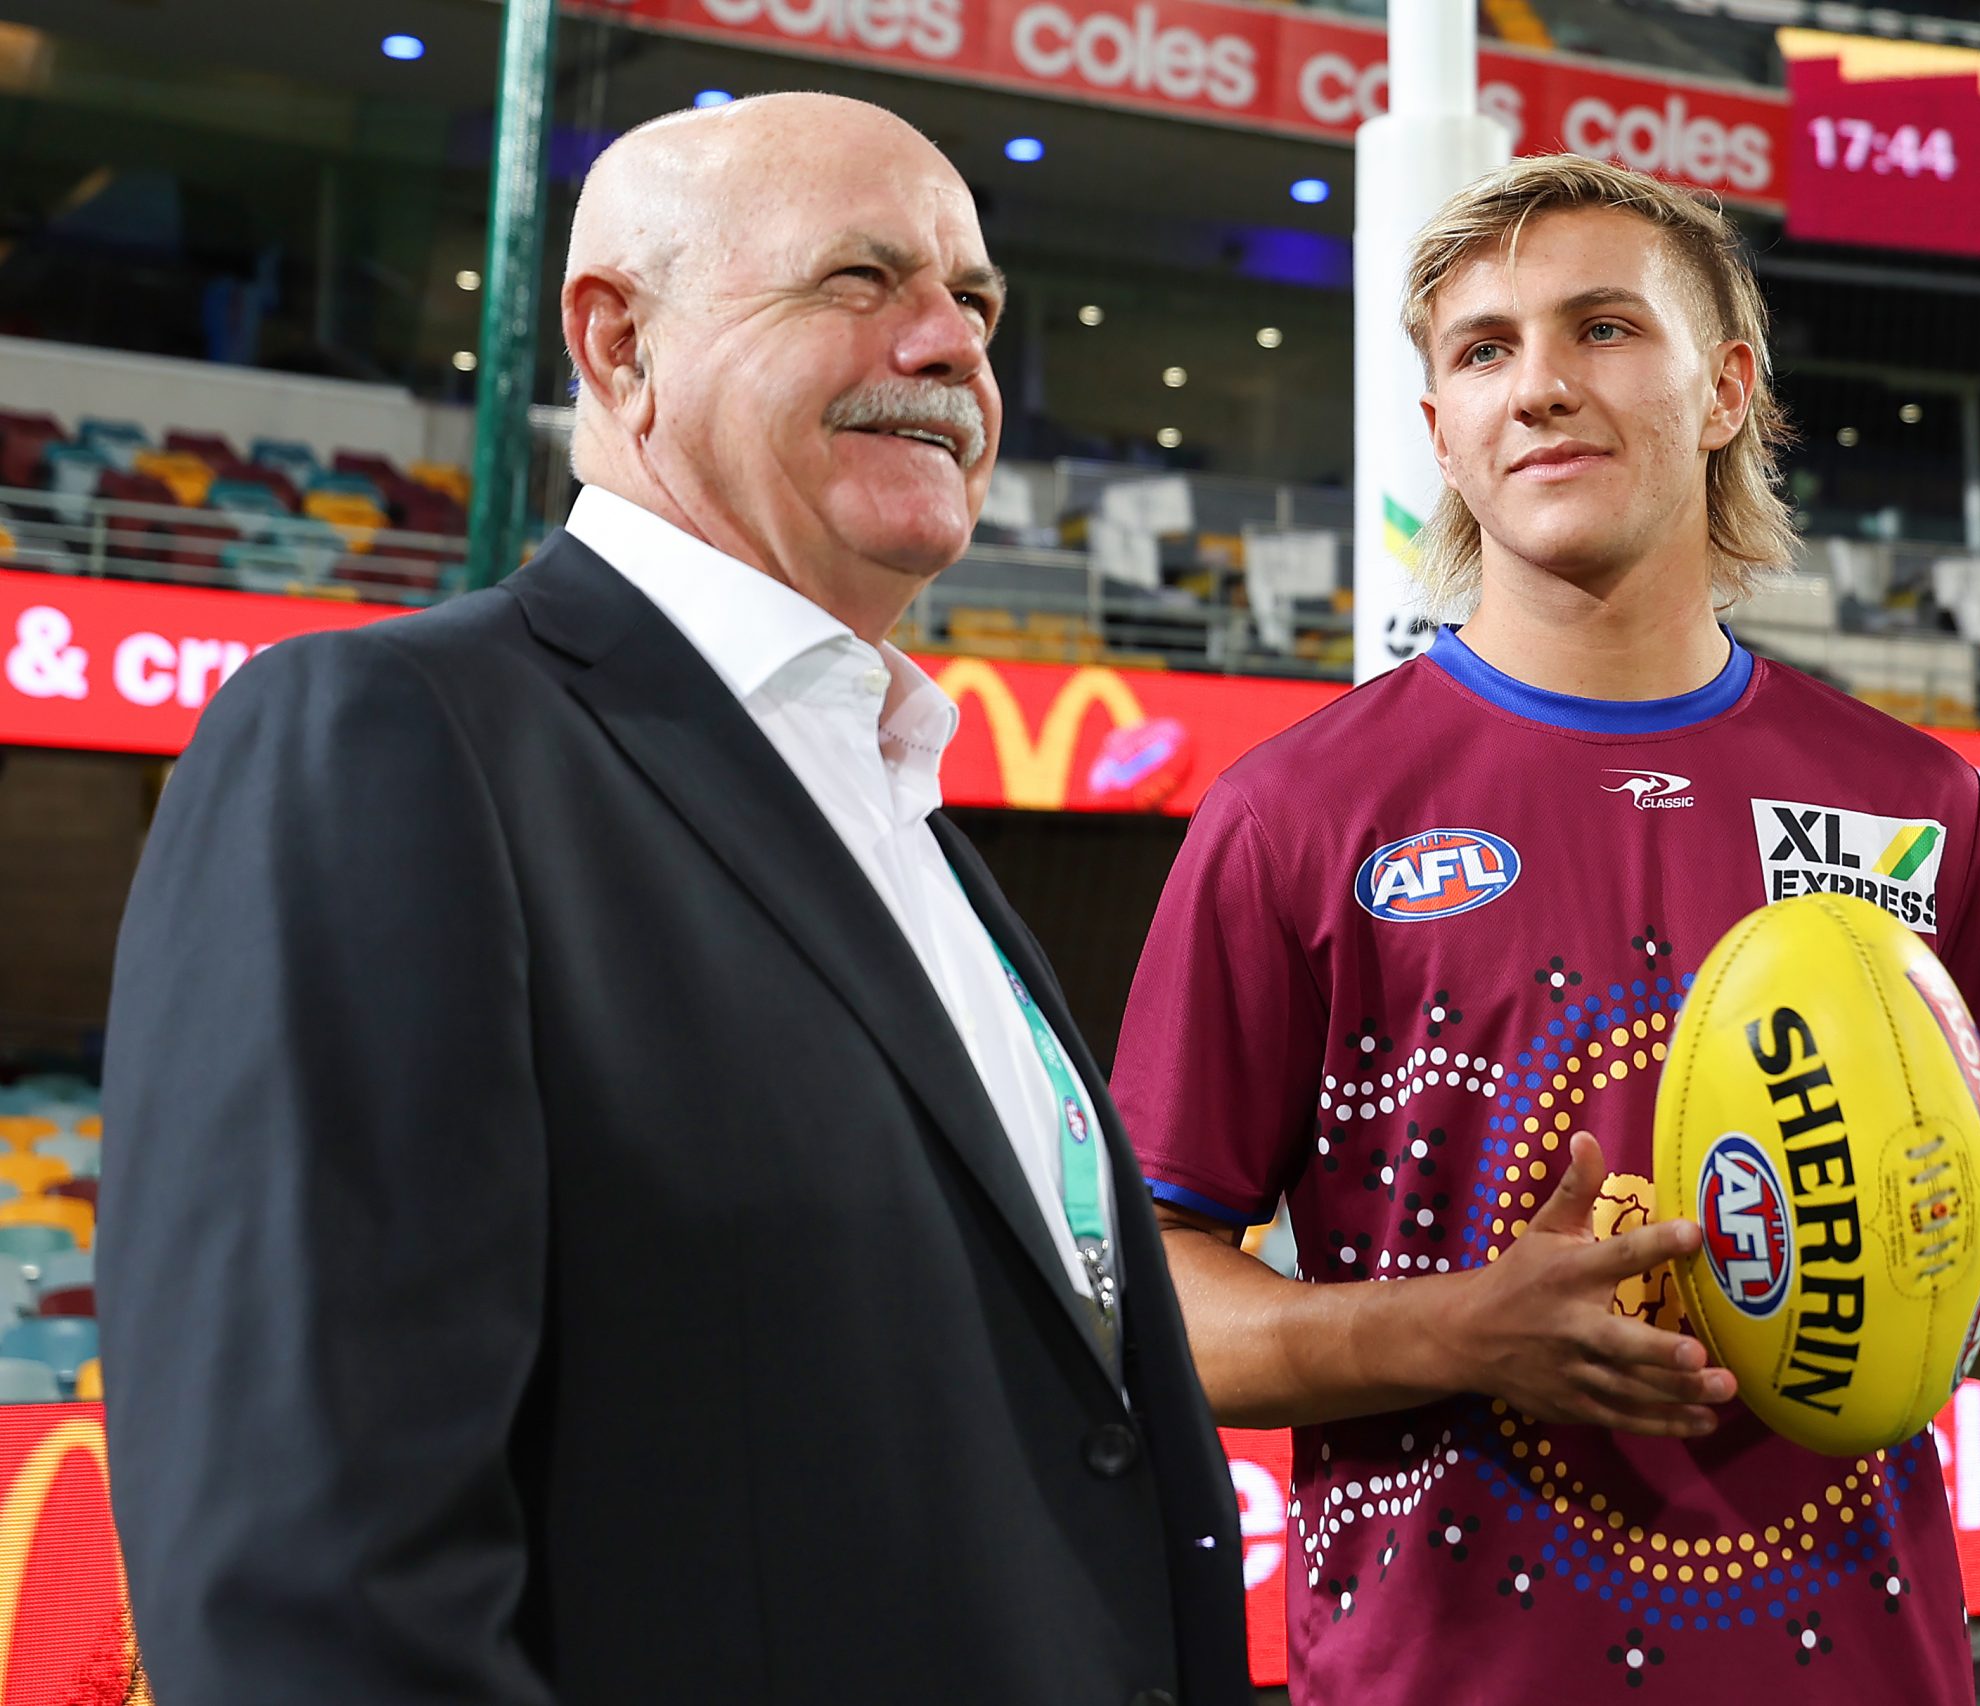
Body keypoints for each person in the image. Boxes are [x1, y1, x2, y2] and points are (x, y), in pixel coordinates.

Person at [97, 94, 1245, 1706]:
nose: (951, 346)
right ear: (619, 341)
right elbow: (312, 1577)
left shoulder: (913, 825)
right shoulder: (392, 745)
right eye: (862, 279)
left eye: (976, 302)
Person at [1111, 153, 1980, 1703]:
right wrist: (1457, 1329)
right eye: (1484, 349)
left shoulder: (1913, 804)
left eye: (1604, 328)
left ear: (1726, 391)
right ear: (1441, 429)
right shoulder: (1294, 813)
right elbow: (1151, 1292)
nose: (1541, 384)